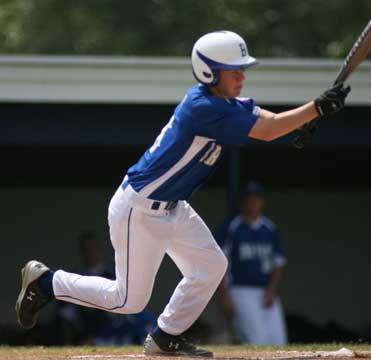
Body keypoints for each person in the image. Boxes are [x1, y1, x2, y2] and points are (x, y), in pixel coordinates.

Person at [15, 30, 350, 357]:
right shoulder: (204, 107)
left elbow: (269, 119)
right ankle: (46, 283)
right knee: (127, 300)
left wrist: (303, 118)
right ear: (210, 72)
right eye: (234, 70)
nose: (241, 76)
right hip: (140, 208)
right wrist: (316, 110)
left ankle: (165, 336)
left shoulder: (226, 103)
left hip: (173, 207)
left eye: (242, 69)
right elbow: (268, 129)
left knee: (211, 266)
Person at [216, 181, 288, 345]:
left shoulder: (269, 227)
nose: (253, 201)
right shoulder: (232, 226)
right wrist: (224, 296)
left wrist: (271, 290)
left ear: (262, 201)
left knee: (279, 341)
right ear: (243, 201)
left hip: (266, 290)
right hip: (241, 290)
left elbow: (278, 262)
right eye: (249, 198)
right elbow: (219, 262)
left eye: (256, 197)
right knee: (258, 340)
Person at [55, 232, 156, 345]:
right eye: (87, 249)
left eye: (94, 248)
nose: (91, 252)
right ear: (82, 252)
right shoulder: (75, 278)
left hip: (116, 332)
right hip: (90, 331)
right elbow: (66, 316)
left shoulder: (113, 275)